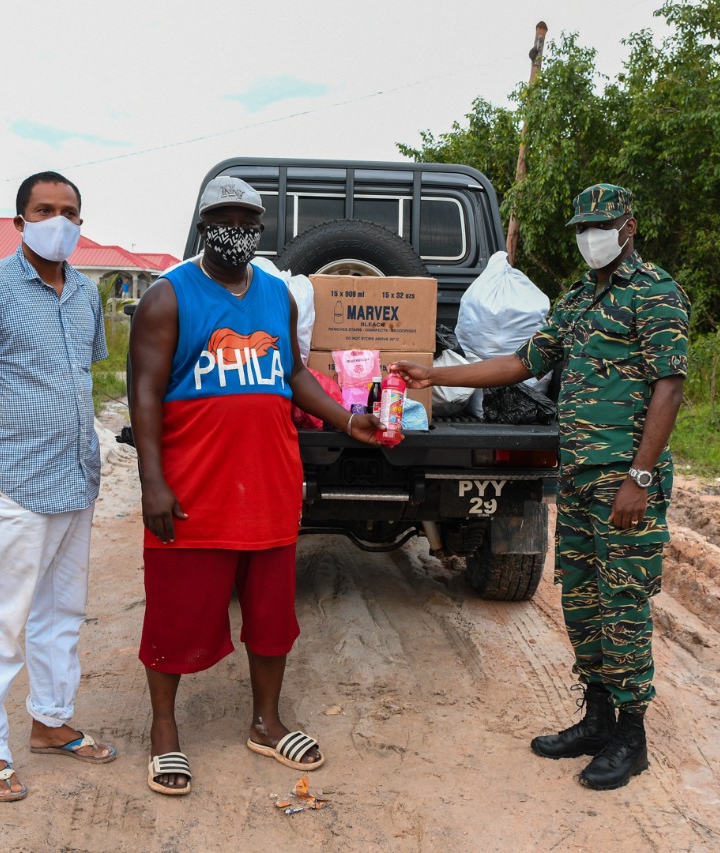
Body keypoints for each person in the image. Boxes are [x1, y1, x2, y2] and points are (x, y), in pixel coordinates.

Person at [393, 183, 689, 791]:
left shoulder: (656, 293)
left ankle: (631, 739)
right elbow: (525, 360)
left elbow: (669, 387)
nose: (590, 237)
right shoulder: (580, 297)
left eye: (600, 226)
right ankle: (597, 720)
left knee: (623, 605)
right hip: (578, 478)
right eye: (582, 228)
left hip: (623, 482)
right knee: (580, 601)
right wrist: (437, 372)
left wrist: (638, 477)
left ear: (628, 225)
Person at [128, 176, 385, 796]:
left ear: (260, 227)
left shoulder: (277, 296)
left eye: (247, 218)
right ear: (201, 223)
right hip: (193, 489)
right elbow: (143, 392)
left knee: (272, 617)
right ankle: (165, 730)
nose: (236, 228)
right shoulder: (168, 298)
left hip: (268, 484)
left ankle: (267, 723)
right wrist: (152, 482)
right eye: (224, 216)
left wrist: (347, 418)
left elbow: (292, 372)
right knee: (177, 612)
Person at [0, 171, 116, 803]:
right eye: (45, 210)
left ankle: (50, 720)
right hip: (17, 483)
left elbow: (79, 378)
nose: (59, 220)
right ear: (19, 221)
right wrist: (0, 449)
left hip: (77, 479)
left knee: (61, 613)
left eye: (70, 211)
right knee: (3, 620)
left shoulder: (87, 294)